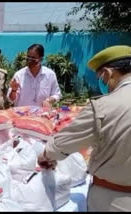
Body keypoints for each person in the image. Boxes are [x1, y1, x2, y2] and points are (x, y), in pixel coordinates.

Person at [37, 45, 131, 211]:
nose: (103, 83)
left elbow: (64, 143)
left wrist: (46, 154)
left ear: (108, 73)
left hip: (114, 200)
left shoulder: (104, 107)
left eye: (101, 78)